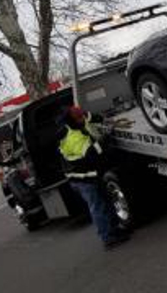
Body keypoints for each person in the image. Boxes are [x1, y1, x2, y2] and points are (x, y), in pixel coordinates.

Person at [58, 105, 129, 250]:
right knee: (98, 207)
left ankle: (116, 230)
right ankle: (108, 238)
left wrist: (105, 120)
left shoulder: (78, 121)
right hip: (82, 179)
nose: (83, 118)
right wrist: (105, 137)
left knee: (106, 202)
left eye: (82, 115)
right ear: (72, 120)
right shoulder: (74, 138)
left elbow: (90, 117)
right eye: (79, 117)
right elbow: (92, 154)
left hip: (91, 174)